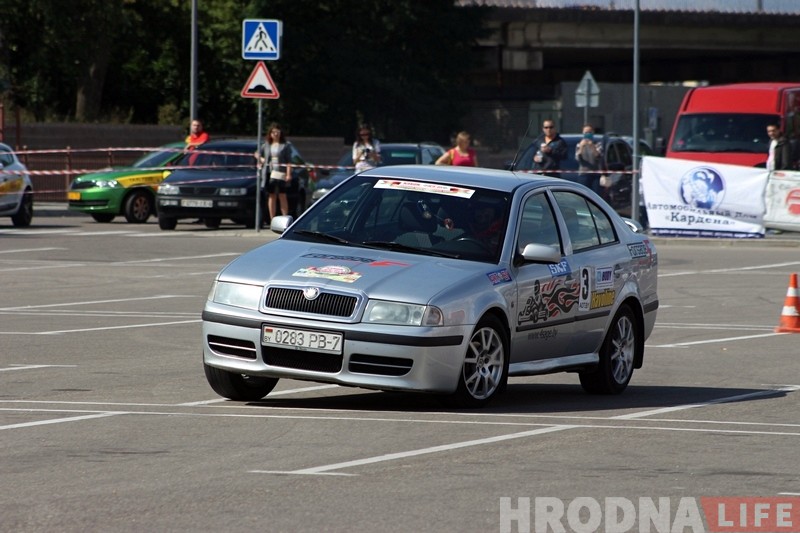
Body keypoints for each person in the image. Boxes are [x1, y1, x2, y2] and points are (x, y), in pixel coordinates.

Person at [255, 122, 293, 220]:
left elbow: (289, 161)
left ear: (280, 133)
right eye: (273, 132)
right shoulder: (266, 145)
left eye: (277, 132)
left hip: (281, 173)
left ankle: (284, 218)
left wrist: (288, 174)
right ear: (270, 134)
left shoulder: (285, 145)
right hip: (269, 173)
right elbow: (257, 153)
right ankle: (272, 219)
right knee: (271, 195)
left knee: (282, 195)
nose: (275, 134)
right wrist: (261, 159)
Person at [575, 124, 603, 194]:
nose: (588, 134)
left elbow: (599, 157)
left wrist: (592, 146)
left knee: (595, 194)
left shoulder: (598, 144)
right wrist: (581, 147)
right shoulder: (579, 144)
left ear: (593, 132)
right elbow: (577, 158)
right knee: (583, 194)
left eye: (589, 132)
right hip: (584, 174)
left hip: (595, 174)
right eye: (586, 132)